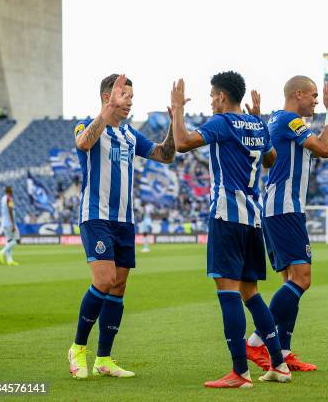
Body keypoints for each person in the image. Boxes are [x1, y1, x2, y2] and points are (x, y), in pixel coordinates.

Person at [170, 71, 290, 388]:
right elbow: (271, 159)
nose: (211, 102)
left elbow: (181, 143)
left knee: (228, 292)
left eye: (212, 96)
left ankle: (240, 372)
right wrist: (257, 127)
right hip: (253, 218)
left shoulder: (221, 123)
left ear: (222, 97)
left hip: (226, 214)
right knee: (250, 293)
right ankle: (279, 364)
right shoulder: (258, 125)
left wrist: (177, 109)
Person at [68, 74, 176, 379]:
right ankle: (78, 347)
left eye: (130, 96)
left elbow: (164, 156)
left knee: (118, 287)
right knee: (104, 279)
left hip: (124, 221)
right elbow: (82, 142)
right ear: (107, 97)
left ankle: (104, 358)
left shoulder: (130, 135)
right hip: (96, 216)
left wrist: (172, 125)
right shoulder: (87, 125)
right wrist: (106, 111)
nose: (130, 101)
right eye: (123, 95)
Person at [245, 76, 328, 372]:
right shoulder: (289, 120)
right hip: (285, 209)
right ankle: (257, 340)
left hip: (280, 208)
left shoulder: (277, 120)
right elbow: (325, 148)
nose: (315, 100)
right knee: (302, 278)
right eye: (312, 95)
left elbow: (271, 160)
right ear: (297, 94)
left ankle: (282, 352)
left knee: (290, 280)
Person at [0, 186, 20, 266]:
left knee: (9, 241)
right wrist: (13, 224)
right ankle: (2, 252)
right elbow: (10, 210)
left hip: (4, 222)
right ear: (11, 191)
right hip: (9, 223)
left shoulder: (3, 198)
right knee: (17, 240)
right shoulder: (9, 199)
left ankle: (9, 260)